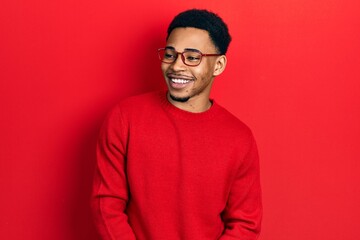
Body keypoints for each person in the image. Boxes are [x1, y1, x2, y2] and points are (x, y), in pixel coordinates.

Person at [92, 9, 262, 240]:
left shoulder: (239, 138)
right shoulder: (125, 117)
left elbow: (245, 224)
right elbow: (106, 204)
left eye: (192, 57)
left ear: (219, 65)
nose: (176, 67)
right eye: (170, 54)